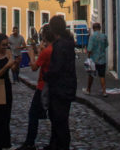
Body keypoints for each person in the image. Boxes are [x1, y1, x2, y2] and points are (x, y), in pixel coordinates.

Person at [15, 24, 55, 150]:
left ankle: (30, 142)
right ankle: (54, 142)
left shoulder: (46, 52)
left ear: (45, 38)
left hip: (43, 86)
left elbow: (34, 67)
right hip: (54, 86)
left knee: (33, 114)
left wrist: (32, 54)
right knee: (54, 115)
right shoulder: (55, 49)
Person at [45, 15, 76, 150]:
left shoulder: (60, 46)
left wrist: (47, 76)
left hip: (60, 89)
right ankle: (55, 144)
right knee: (60, 120)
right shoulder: (68, 42)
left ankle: (60, 146)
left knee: (59, 120)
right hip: (67, 87)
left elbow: (57, 68)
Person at [84, 22, 108, 96]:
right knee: (102, 75)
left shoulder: (92, 37)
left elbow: (90, 49)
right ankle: (104, 91)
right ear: (100, 28)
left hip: (93, 60)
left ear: (93, 29)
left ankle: (88, 90)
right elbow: (106, 45)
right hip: (102, 58)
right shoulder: (104, 36)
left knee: (91, 75)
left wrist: (88, 56)